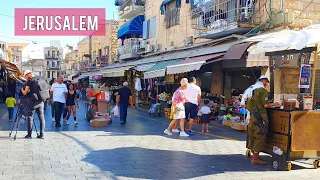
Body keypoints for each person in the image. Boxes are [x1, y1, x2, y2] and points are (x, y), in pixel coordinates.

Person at [244, 76, 280, 165]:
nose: (267, 84)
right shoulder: (262, 90)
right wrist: (275, 104)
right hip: (260, 117)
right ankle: (255, 158)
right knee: (260, 136)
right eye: (266, 82)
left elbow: (247, 105)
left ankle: (253, 154)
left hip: (252, 116)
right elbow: (266, 105)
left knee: (252, 135)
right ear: (264, 82)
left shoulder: (251, 90)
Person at [21, 70, 45, 139]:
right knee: (41, 117)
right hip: (41, 101)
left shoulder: (30, 81)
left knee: (30, 117)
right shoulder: (40, 78)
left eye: (26, 76)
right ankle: (42, 134)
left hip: (33, 102)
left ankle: (29, 134)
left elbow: (25, 93)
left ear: (28, 74)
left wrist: (22, 89)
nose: (26, 78)